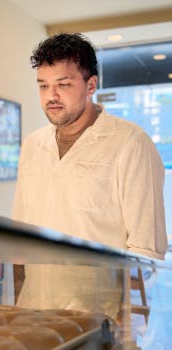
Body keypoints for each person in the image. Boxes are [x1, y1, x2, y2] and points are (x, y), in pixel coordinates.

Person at [12, 33, 167, 317]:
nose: (51, 96)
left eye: (64, 85)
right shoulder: (33, 145)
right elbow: (21, 239)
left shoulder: (131, 143)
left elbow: (146, 252)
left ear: (91, 85)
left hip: (99, 321)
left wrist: (122, 328)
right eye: (43, 86)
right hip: (33, 315)